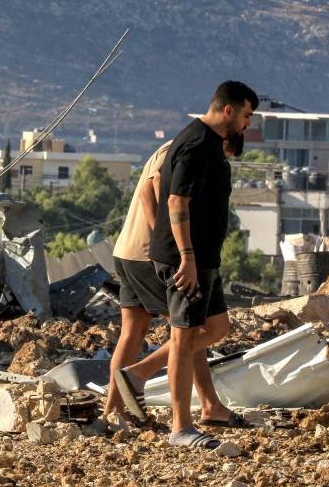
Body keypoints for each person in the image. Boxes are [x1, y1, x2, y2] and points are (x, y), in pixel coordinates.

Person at [142, 80, 257, 448]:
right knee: (183, 337)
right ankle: (180, 427)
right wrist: (187, 258)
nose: (246, 124)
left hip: (204, 258)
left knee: (218, 327)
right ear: (228, 110)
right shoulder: (195, 144)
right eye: (246, 115)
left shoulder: (209, 143)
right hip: (186, 259)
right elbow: (175, 203)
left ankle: (142, 373)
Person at [105, 134, 245, 427]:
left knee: (135, 332)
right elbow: (149, 192)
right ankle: (145, 377)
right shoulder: (185, 150)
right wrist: (167, 247)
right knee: (191, 330)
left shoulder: (174, 146)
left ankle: (113, 414)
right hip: (148, 254)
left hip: (128, 250)